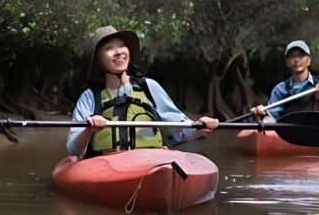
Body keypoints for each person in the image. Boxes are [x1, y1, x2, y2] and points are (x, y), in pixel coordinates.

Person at [67, 26, 219, 158]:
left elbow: (180, 130)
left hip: (150, 159)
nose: (118, 52)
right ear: (98, 61)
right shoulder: (89, 97)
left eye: (122, 46)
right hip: (106, 163)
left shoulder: (149, 87)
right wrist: (88, 129)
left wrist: (199, 126)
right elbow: (74, 149)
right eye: (109, 48)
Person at [250, 40, 319, 121]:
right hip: (290, 134)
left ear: (309, 60)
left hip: (316, 132)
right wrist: (263, 115)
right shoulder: (280, 89)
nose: (296, 59)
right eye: (292, 56)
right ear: (287, 62)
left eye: (301, 55)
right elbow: (272, 120)